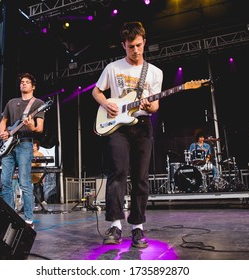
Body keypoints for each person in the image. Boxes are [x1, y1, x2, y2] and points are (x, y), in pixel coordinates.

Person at [92, 21, 163, 248]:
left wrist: (150, 106)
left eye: (139, 45)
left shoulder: (154, 72)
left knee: (140, 177)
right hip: (118, 127)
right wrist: (106, 103)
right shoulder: (113, 68)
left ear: (144, 42)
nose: (136, 50)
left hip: (142, 125)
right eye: (131, 46)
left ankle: (138, 228)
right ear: (124, 45)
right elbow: (96, 91)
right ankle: (115, 225)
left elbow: (156, 105)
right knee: (118, 173)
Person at [0, 73, 45, 229]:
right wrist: (3, 132)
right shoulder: (11, 102)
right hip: (9, 146)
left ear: (33, 86)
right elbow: (3, 122)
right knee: (5, 182)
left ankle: (28, 219)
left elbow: (39, 128)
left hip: (25, 144)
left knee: (24, 182)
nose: (23, 84)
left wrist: (31, 126)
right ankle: (10, 216)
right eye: (22, 82)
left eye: (27, 82)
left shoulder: (38, 103)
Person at [32, 139, 47, 209]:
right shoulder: (29, 153)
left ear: (37, 147)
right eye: (32, 146)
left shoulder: (40, 154)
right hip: (30, 175)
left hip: (37, 174)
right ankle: (35, 202)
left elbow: (38, 163)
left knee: (38, 189)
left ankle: (39, 202)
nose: (33, 147)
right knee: (33, 190)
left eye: (35, 146)